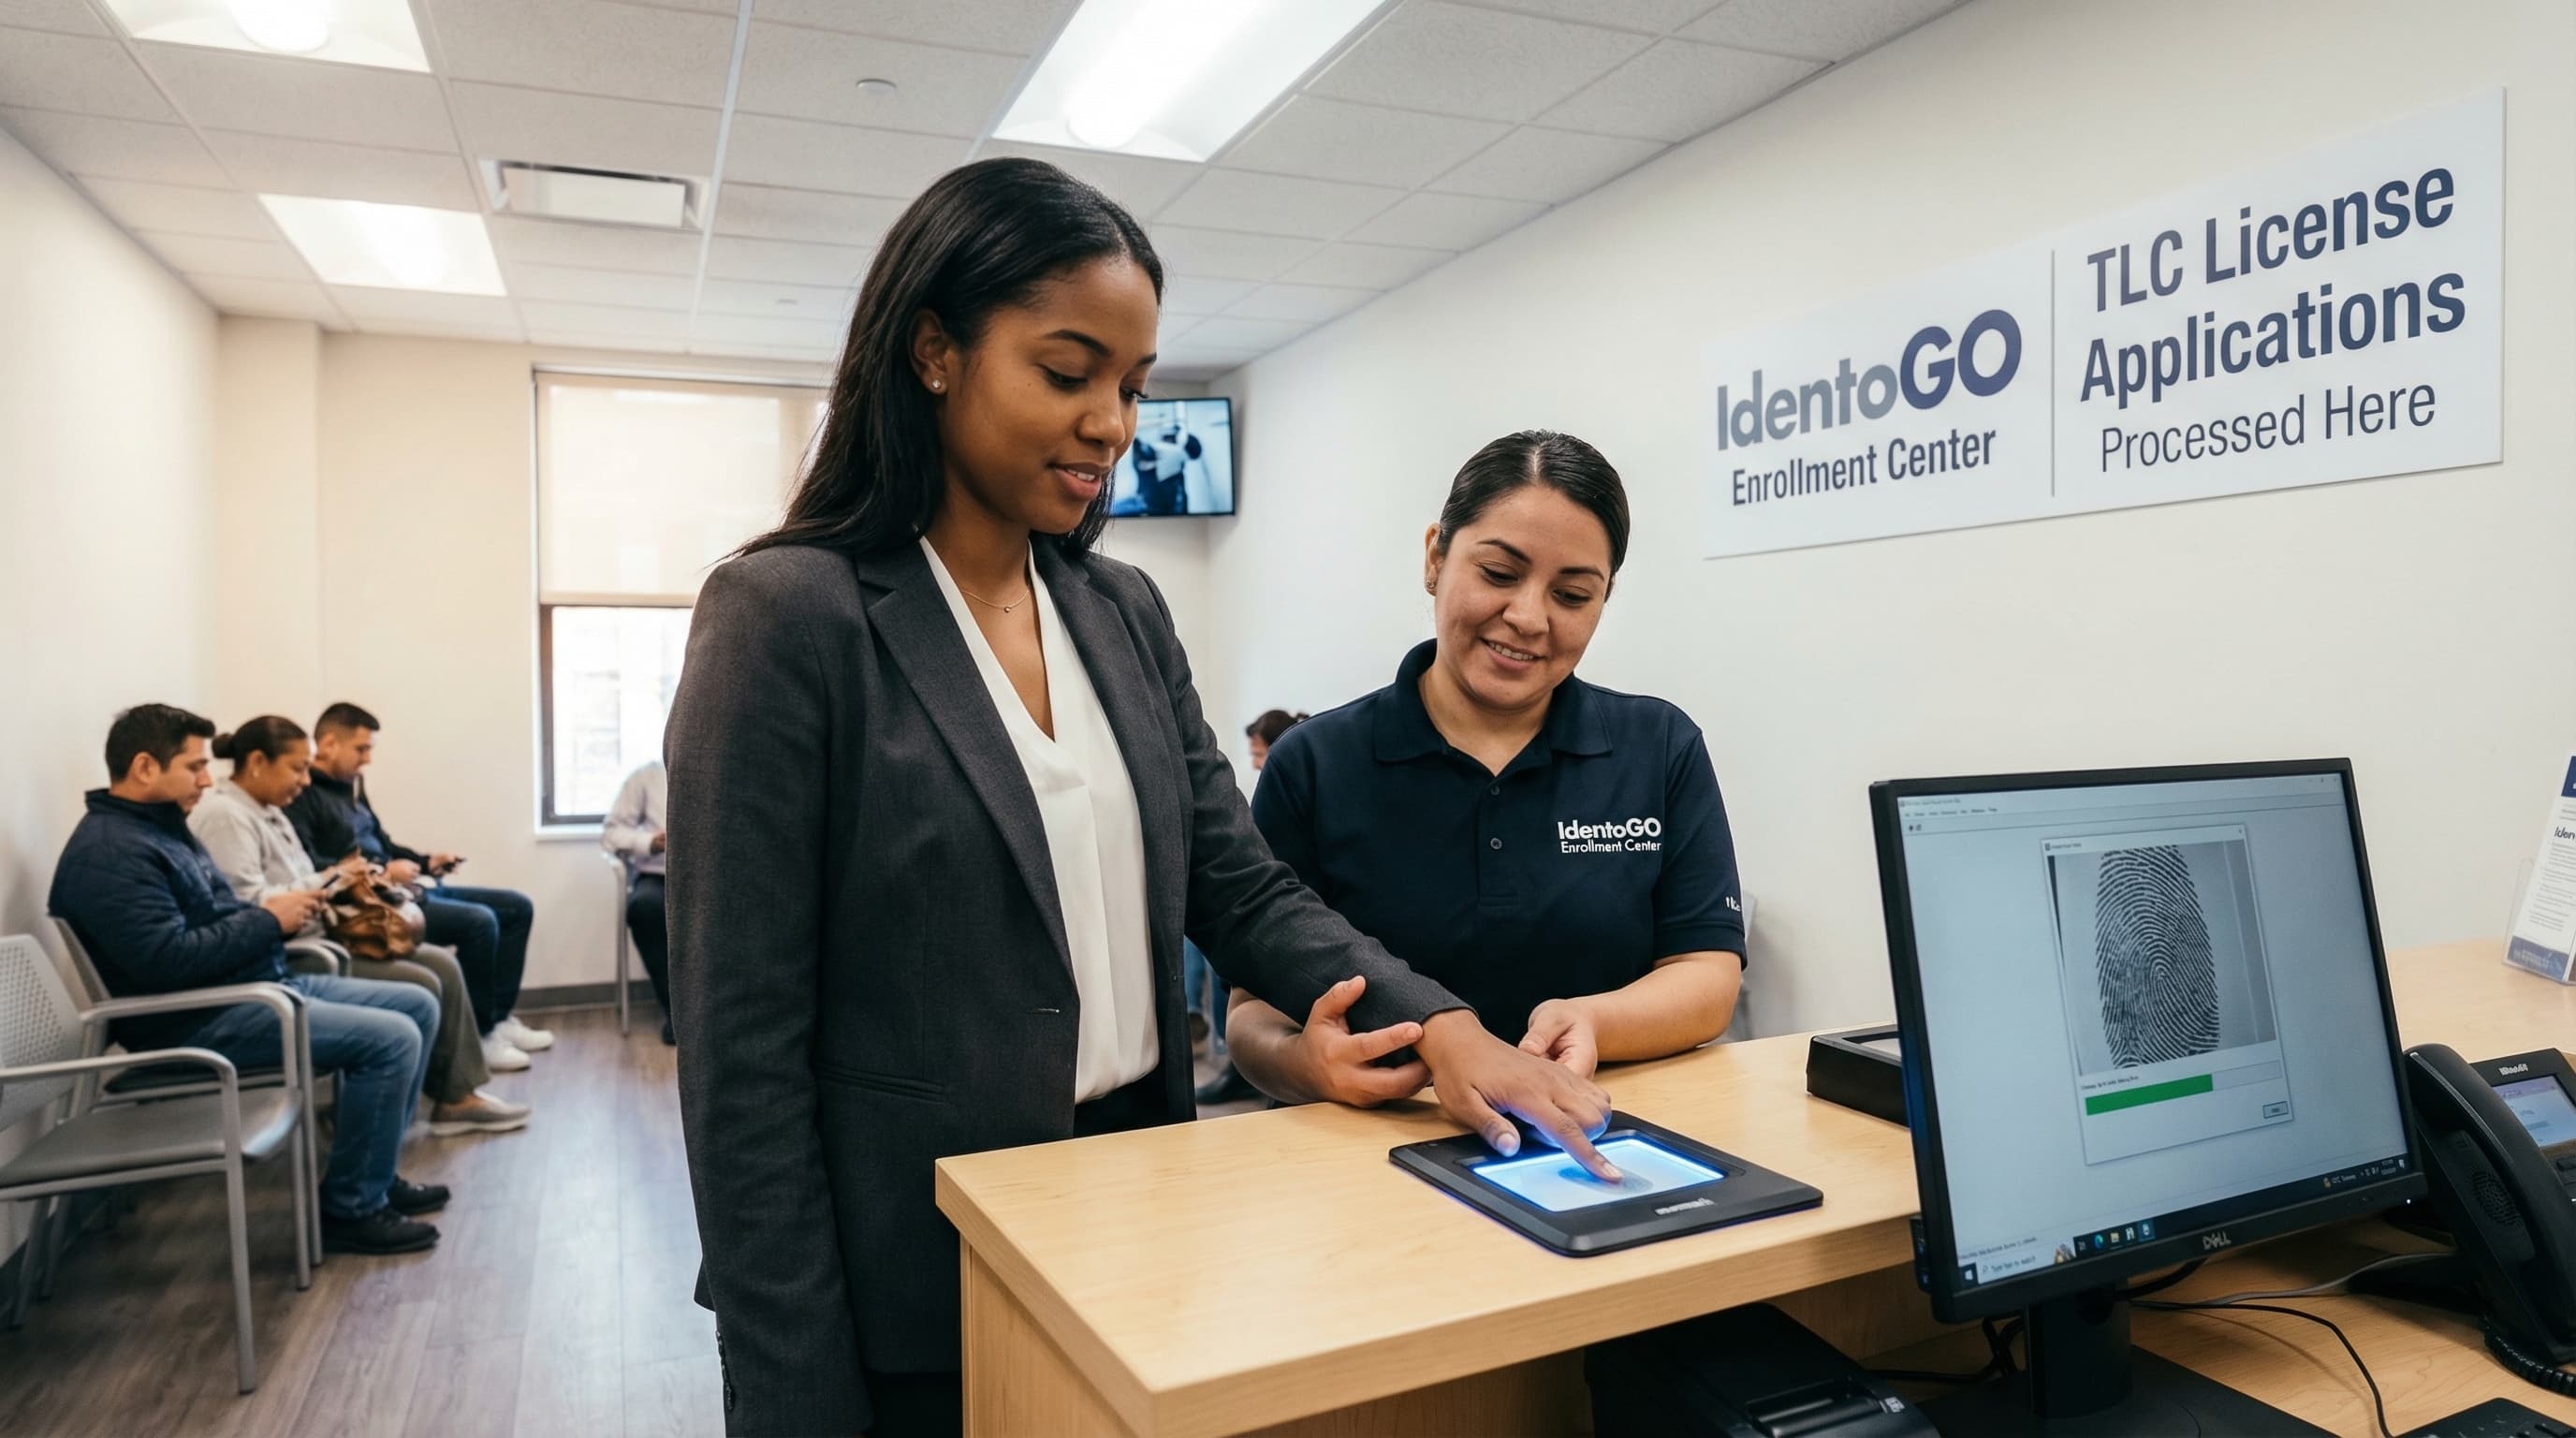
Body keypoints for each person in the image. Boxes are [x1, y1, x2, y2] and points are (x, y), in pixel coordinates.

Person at [666, 157, 1614, 1438]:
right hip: (905, 1270)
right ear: (934, 351)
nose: (1112, 423)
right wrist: (794, 1381)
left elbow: (1238, 885)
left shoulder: (1119, 610)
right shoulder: (788, 617)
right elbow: (742, 1057)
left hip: (1137, 1212)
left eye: (1131, 386)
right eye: (1068, 373)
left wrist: (1443, 1028)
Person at [1225, 432, 1747, 1109]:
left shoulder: (1659, 746)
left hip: (1598, 1127)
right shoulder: (1314, 764)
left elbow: (1706, 973)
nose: (1528, 617)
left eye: (1572, 594)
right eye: (1499, 574)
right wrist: (1304, 1065)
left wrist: (1594, 1020)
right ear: (1435, 557)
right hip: (1379, 1137)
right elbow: (1252, 1013)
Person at [50, 704, 449, 1255]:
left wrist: (270, 918)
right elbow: (168, 961)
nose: (206, 779)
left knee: (419, 1006)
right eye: (194, 767)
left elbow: (213, 918)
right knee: (393, 1038)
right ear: (144, 767)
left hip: (253, 989)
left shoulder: (158, 832)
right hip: (198, 1020)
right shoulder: (110, 854)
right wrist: (269, 920)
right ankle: (353, 1206)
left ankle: (373, 1174)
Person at [190, 714, 530, 1135]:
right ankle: (383, 1114)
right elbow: (248, 905)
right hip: (296, 953)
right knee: (424, 982)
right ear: (258, 762)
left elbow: (303, 878)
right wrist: (335, 877)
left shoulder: (268, 811)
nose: (305, 781)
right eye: (297, 769)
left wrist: (345, 877)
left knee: (442, 964)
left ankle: (455, 1096)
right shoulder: (226, 815)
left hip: (320, 936)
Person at [286, 702, 553, 1072]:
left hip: (403, 890)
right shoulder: (302, 797)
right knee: (479, 923)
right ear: (329, 744)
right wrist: (384, 872)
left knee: (516, 907)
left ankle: (497, 1018)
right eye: (361, 749)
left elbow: (382, 842)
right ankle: (481, 1035)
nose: (367, 759)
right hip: (374, 905)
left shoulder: (350, 789)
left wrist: (426, 862)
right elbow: (312, 866)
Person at [1189, 708, 1310, 1104]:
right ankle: (1198, 1021)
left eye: (1258, 754)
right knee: (1192, 939)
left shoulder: (1295, 779)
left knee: (1224, 952)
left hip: (1288, 907)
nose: (1255, 762)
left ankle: (1227, 1054)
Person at [600, 757, 672, 1045]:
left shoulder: (724, 769)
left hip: (712, 878)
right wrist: (650, 842)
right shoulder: (647, 776)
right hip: (659, 875)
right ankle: (677, 1012)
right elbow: (611, 833)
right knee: (644, 910)